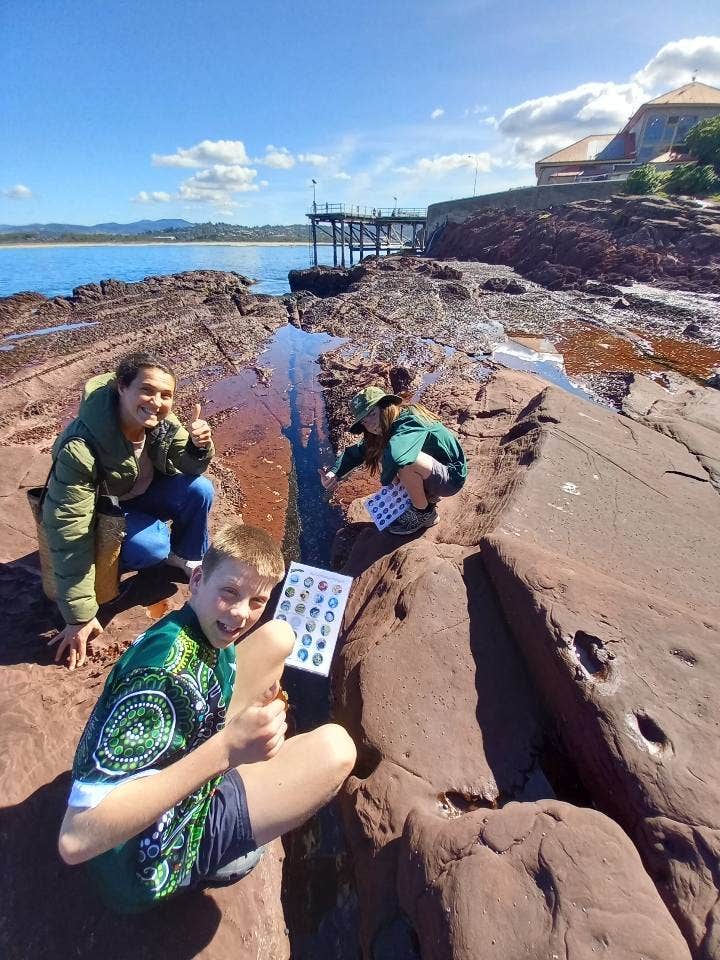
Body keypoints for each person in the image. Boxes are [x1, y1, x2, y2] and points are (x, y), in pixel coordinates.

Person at [57, 522, 357, 913]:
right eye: (229, 592)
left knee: (280, 636)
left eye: (257, 601)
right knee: (337, 749)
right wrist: (227, 751)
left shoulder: (190, 628)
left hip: (175, 753)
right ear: (197, 580)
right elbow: (75, 840)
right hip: (141, 859)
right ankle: (207, 861)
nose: (240, 614)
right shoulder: (163, 676)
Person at [43, 351, 215, 670]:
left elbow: (187, 464)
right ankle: (133, 557)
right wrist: (79, 615)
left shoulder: (160, 422)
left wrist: (197, 446)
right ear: (122, 387)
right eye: (147, 390)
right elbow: (69, 528)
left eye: (166, 395)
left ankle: (183, 557)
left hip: (140, 495)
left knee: (201, 489)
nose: (157, 401)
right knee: (151, 546)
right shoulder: (81, 447)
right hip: (104, 513)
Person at [319, 386, 467, 536]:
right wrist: (334, 474)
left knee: (406, 463)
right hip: (434, 472)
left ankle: (424, 513)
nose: (369, 423)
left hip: (451, 479)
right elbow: (356, 452)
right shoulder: (386, 425)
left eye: (371, 414)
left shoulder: (410, 420)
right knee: (382, 453)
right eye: (363, 421)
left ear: (385, 406)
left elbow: (398, 456)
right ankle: (426, 497)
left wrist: (389, 482)